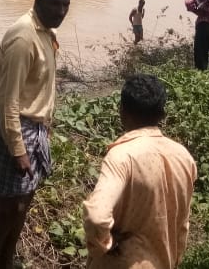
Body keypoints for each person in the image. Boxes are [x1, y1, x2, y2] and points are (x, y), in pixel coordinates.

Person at [0, 0, 73, 269]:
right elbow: (10, 101)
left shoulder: (46, 32)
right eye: (55, 4)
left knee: (23, 203)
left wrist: (46, 127)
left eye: (66, 4)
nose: (61, 11)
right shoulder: (23, 38)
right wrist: (18, 149)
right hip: (12, 125)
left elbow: (40, 88)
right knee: (9, 207)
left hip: (34, 126)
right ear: (38, 0)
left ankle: (5, 261)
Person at [82, 74, 196, 268]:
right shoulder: (184, 157)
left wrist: (106, 243)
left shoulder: (121, 156)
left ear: (122, 111)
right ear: (162, 114)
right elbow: (182, 225)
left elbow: (96, 217)